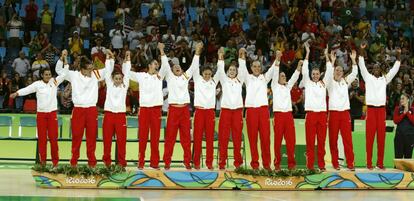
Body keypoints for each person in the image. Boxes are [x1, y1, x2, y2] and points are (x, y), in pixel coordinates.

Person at [10, 50, 69, 167]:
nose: (48, 76)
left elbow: (64, 74)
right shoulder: (37, 84)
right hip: (41, 115)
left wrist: (64, 58)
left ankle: (55, 163)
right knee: (42, 140)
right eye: (46, 74)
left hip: (52, 115)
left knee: (53, 140)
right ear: (42, 75)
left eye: (49, 74)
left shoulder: (54, 82)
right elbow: (27, 90)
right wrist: (16, 93)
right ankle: (42, 163)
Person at [56, 52, 107, 168]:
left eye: (92, 68)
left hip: (91, 110)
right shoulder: (74, 75)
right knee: (76, 137)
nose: (91, 71)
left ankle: (92, 164)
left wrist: (109, 59)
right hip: (78, 110)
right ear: (83, 69)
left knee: (91, 137)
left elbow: (108, 71)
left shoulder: (95, 74)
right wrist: (62, 58)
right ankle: (73, 163)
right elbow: (60, 71)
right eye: (89, 69)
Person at [160, 42, 203, 170]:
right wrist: (162, 51)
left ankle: (187, 162)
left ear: (182, 70)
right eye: (175, 67)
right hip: (173, 110)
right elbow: (165, 65)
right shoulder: (170, 77)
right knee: (170, 139)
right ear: (172, 70)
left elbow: (194, 66)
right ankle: (167, 162)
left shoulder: (185, 77)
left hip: (185, 111)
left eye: (179, 66)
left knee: (186, 139)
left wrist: (197, 51)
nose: (177, 67)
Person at [359, 43, 401, 170]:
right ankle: (369, 163)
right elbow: (361, 65)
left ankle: (380, 163)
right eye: (374, 67)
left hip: (381, 111)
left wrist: (398, 55)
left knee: (381, 139)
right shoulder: (368, 78)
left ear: (381, 70)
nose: (376, 69)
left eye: (378, 67)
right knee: (370, 138)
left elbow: (394, 70)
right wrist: (361, 50)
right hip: (371, 111)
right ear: (372, 70)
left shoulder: (385, 79)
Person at [239, 47, 275, 170]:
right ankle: (255, 164)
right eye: (254, 66)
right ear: (251, 68)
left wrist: (278, 58)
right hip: (251, 111)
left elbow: (273, 69)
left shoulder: (264, 78)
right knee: (252, 139)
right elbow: (242, 69)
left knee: (265, 139)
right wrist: (242, 56)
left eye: (259, 66)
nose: (257, 68)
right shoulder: (247, 78)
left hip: (263, 111)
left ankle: (266, 164)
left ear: (261, 68)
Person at [130, 46, 163, 170]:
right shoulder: (141, 76)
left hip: (156, 110)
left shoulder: (160, 76)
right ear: (149, 65)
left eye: (157, 64)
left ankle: (155, 163)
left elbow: (164, 65)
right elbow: (127, 73)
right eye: (155, 64)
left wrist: (161, 51)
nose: (157, 66)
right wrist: (128, 60)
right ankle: (141, 161)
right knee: (143, 137)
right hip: (144, 110)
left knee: (155, 138)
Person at [302, 43, 333, 171]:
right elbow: (304, 69)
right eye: (313, 73)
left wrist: (326, 56)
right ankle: (309, 166)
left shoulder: (323, 83)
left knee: (321, 142)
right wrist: (307, 53)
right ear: (311, 74)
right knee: (310, 142)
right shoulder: (307, 83)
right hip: (310, 115)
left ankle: (321, 164)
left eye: (317, 73)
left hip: (322, 115)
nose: (315, 75)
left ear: (320, 74)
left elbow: (330, 70)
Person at [326, 49, 358, 171]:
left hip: (345, 114)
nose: (339, 72)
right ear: (334, 72)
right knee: (333, 140)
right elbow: (328, 73)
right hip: (333, 114)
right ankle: (335, 162)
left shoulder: (345, 81)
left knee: (347, 139)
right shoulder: (329, 83)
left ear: (343, 72)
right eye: (336, 70)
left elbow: (354, 72)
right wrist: (332, 61)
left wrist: (354, 60)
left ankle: (350, 163)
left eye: (340, 70)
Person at [272, 52, 302, 170]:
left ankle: (291, 165)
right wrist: (278, 59)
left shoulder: (288, 86)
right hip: (278, 116)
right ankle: (277, 164)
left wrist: (299, 66)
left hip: (289, 116)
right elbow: (275, 73)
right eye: (282, 76)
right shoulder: (275, 86)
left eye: (284, 76)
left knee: (291, 141)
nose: (284, 77)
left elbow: (295, 76)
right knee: (278, 141)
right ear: (278, 79)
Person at [216, 47, 245, 170]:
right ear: (227, 72)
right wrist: (220, 56)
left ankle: (238, 163)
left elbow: (243, 69)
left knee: (237, 138)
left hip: (238, 112)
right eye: (230, 69)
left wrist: (241, 55)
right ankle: (222, 163)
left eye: (234, 69)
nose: (232, 71)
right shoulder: (224, 80)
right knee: (223, 138)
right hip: (226, 112)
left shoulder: (240, 80)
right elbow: (220, 69)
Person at [102, 50, 131, 168]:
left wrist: (128, 58)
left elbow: (127, 73)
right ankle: (107, 162)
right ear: (112, 79)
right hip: (109, 115)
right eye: (116, 78)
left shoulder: (125, 85)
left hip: (120, 116)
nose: (118, 80)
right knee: (107, 140)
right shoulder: (109, 83)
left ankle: (121, 163)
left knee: (122, 141)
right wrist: (109, 58)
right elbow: (108, 70)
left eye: (120, 78)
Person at [191, 52, 220, 170]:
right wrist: (197, 54)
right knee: (197, 138)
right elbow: (194, 67)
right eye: (205, 73)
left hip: (210, 113)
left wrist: (220, 58)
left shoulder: (214, 81)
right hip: (199, 112)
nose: (207, 75)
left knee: (209, 139)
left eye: (209, 74)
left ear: (212, 74)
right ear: (202, 73)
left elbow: (221, 70)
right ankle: (196, 162)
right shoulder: (197, 80)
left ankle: (209, 163)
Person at [393, 93, 414, 159]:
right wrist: (403, 114)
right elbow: (396, 121)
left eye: (403, 98)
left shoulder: (413, 109)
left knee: (408, 158)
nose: (401, 100)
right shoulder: (397, 109)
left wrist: (407, 112)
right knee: (398, 157)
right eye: (400, 99)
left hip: (410, 138)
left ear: (408, 100)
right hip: (399, 137)